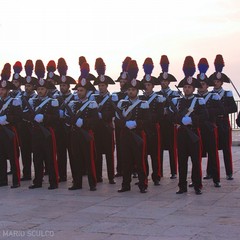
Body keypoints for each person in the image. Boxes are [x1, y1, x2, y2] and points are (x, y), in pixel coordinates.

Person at [171, 56, 208, 195]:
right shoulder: (178, 102)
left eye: (189, 87)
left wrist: (192, 120)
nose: (187, 89)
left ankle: (197, 185)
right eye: (185, 87)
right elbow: (171, 117)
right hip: (181, 134)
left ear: (193, 88)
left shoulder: (199, 100)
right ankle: (182, 186)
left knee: (196, 162)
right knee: (182, 161)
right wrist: (179, 120)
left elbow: (205, 116)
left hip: (193, 133)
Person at [116, 60, 150, 193]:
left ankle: (143, 184)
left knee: (140, 161)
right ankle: (125, 185)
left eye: (133, 90)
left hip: (138, 134)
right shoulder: (121, 103)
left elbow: (148, 120)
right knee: (126, 161)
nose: (131, 92)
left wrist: (136, 123)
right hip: (125, 135)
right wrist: (124, 123)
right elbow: (117, 120)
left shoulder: (143, 103)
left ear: (137, 90)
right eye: (129, 89)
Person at [25, 60, 59, 190]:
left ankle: (53, 181)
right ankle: (37, 181)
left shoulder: (52, 101)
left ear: (46, 90)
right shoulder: (32, 101)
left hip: (47, 133)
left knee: (50, 158)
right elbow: (25, 114)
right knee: (37, 158)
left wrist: (44, 117)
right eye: (38, 89)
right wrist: (32, 117)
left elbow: (56, 118)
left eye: (42, 89)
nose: (40, 91)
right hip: (35, 133)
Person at [65, 63, 98, 191]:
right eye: (78, 90)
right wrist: (70, 121)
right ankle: (77, 183)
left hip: (86, 134)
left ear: (87, 91)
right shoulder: (72, 104)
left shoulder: (91, 104)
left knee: (89, 160)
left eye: (81, 90)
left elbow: (94, 120)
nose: (79, 93)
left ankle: (92, 183)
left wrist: (83, 122)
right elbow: (67, 117)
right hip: (74, 134)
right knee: (75, 159)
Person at [209, 54, 237, 180]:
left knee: (226, 148)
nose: (216, 83)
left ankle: (229, 172)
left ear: (221, 82)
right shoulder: (209, 95)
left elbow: (234, 108)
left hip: (224, 123)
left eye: (218, 81)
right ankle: (210, 172)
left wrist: (221, 110)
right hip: (213, 123)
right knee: (211, 148)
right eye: (214, 81)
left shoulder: (227, 93)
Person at [195, 58, 222, 188]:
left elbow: (220, 110)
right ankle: (195, 179)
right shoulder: (193, 98)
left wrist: (207, 112)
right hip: (196, 128)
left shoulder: (213, 96)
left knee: (213, 153)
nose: (201, 86)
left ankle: (216, 179)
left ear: (207, 85)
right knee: (196, 156)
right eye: (199, 84)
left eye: (203, 84)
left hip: (209, 127)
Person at [140, 57, 165, 186]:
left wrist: (151, 119)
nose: (147, 87)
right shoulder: (139, 98)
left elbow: (161, 115)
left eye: (149, 85)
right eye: (145, 85)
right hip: (143, 128)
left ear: (153, 86)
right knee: (143, 154)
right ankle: (144, 176)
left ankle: (156, 176)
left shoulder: (158, 98)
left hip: (154, 129)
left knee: (155, 154)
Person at [91, 58, 116, 184]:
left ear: (106, 86)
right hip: (97, 129)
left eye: (103, 85)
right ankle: (98, 176)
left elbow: (113, 112)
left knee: (109, 154)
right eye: (99, 85)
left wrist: (103, 115)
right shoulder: (93, 98)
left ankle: (111, 177)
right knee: (97, 154)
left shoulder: (112, 98)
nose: (101, 87)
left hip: (107, 128)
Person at [53, 58, 76, 182]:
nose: (62, 87)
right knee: (60, 154)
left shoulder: (73, 98)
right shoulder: (55, 98)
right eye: (61, 85)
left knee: (73, 154)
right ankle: (62, 176)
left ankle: (75, 176)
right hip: (59, 129)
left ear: (68, 86)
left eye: (64, 85)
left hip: (69, 129)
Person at [156, 55, 179, 179]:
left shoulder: (175, 94)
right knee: (159, 149)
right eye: (162, 81)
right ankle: (159, 171)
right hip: (160, 124)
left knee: (172, 149)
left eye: (166, 81)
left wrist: (168, 111)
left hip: (170, 124)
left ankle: (174, 172)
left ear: (169, 82)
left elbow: (178, 108)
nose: (164, 83)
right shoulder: (157, 95)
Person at [0, 63, 21, 188]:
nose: (1, 91)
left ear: (8, 90)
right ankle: (2, 180)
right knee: (1, 156)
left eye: (3, 89)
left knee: (13, 157)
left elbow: (18, 117)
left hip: (9, 131)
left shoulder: (14, 101)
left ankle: (16, 180)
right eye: (0, 89)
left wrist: (7, 118)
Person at [19, 60, 38, 181]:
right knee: (25, 151)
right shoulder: (20, 98)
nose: (27, 88)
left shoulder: (37, 98)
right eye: (25, 86)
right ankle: (26, 174)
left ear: (33, 87)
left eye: (29, 86)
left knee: (36, 152)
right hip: (23, 127)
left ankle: (39, 175)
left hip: (34, 127)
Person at [112, 56, 131, 177]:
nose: (122, 84)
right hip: (119, 124)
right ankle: (120, 169)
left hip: (130, 124)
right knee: (120, 146)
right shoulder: (116, 95)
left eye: (124, 82)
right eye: (121, 82)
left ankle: (132, 169)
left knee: (131, 147)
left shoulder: (131, 95)